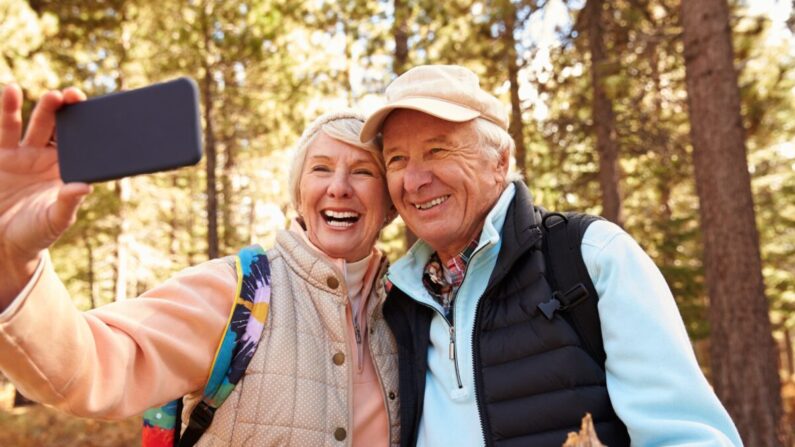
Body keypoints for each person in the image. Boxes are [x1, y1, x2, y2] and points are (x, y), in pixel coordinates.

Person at [358, 65, 743, 447]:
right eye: (397, 160)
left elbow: (688, 438)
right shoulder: (398, 300)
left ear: (500, 162)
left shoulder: (592, 256)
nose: (414, 180)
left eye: (437, 150)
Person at [0, 83, 400, 446]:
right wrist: (15, 264)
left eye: (363, 171)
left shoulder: (408, 314)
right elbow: (97, 366)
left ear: (390, 206)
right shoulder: (239, 291)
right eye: (321, 168)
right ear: (299, 195)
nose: (339, 187)